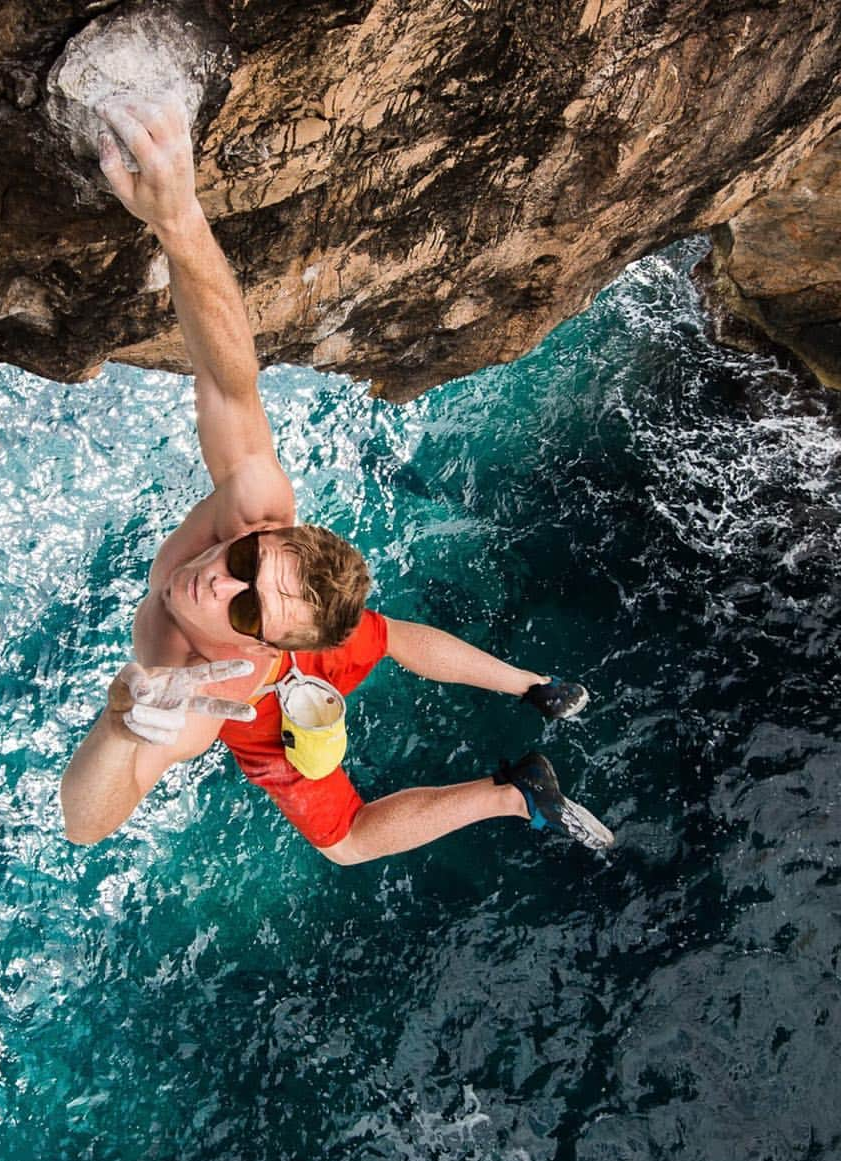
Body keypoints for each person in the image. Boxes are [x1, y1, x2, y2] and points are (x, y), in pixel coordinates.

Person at [59, 95, 614, 863]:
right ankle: (535, 687)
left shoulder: (204, 690)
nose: (221, 587)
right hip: (303, 642)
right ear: (263, 535)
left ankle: (518, 793)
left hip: (264, 693)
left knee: (347, 841)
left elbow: (86, 820)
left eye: (248, 608)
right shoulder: (254, 510)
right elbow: (229, 381)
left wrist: (122, 721)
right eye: (248, 565)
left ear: (271, 645)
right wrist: (179, 216)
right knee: (378, 634)